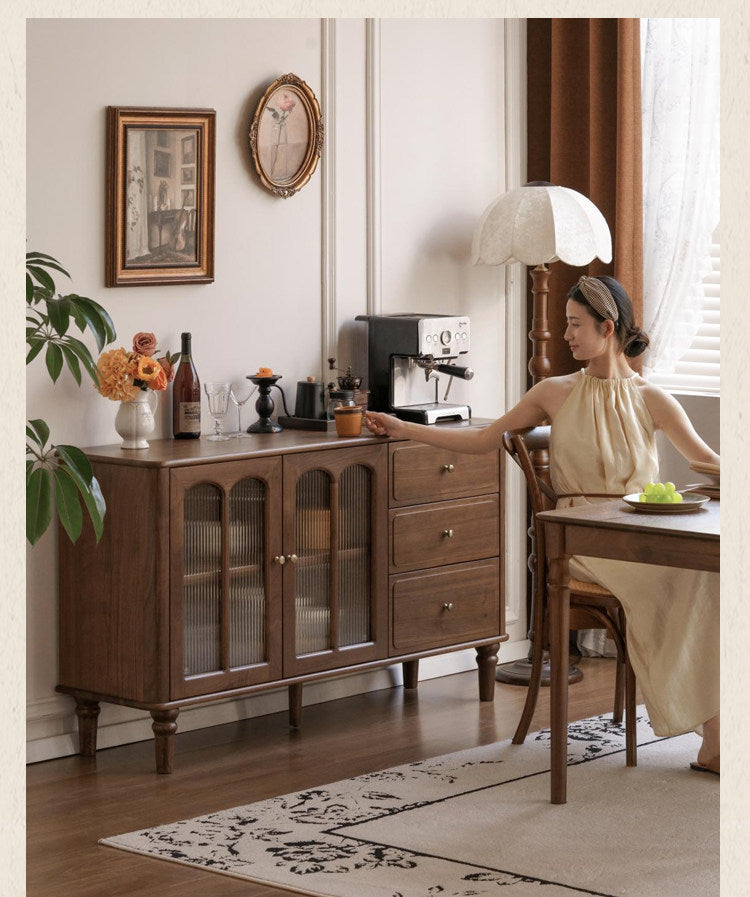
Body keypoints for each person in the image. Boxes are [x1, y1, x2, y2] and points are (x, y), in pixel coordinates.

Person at [365, 274, 720, 776]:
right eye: (566, 324)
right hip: (582, 539)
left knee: (709, 578)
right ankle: (717, 734)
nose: (567, 335)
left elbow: (706, 462)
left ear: (608, 327)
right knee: (684, 582)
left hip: (638, 533)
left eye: (576, 325)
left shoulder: (650, 397)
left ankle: (718, 730)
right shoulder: (553, 392)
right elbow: (483, 441)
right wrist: (405, 427)